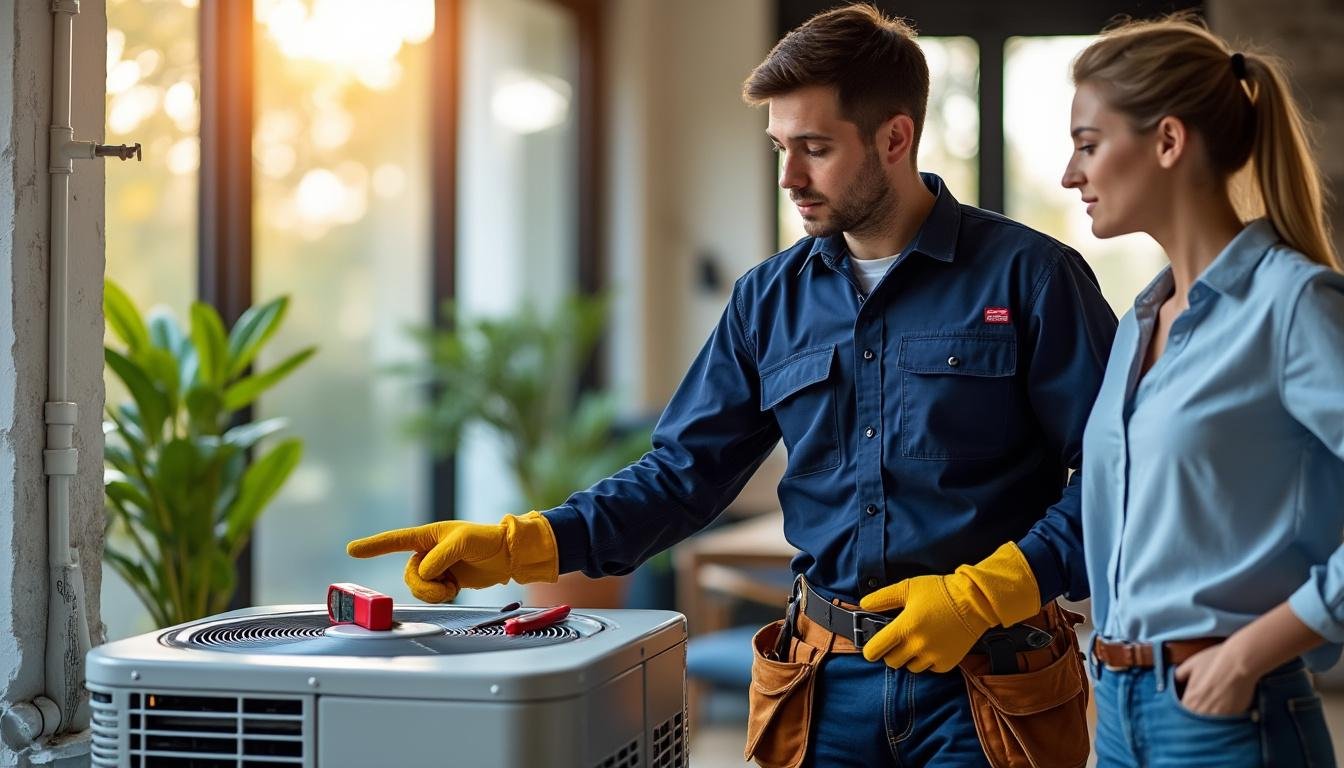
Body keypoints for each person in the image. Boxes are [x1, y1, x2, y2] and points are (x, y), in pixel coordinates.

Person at [350, 4, 1117, 766]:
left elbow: (1119, 477)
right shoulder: (767, 300)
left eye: (815, 148)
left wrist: (989, 592)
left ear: (894, 138)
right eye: (780, 147)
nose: (789, 178)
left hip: (991, 685)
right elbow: (682, 476)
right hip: (823, 688)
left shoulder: (1031, 277)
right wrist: (528, 544)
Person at [1063, 15, 1344, 768]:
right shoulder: (1140, 322)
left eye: (1088, 144)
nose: (1069, 174)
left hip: (1227, 714)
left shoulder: (1293, 305)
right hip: (1116, 712)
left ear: (1167, 141)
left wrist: (1251, 652)